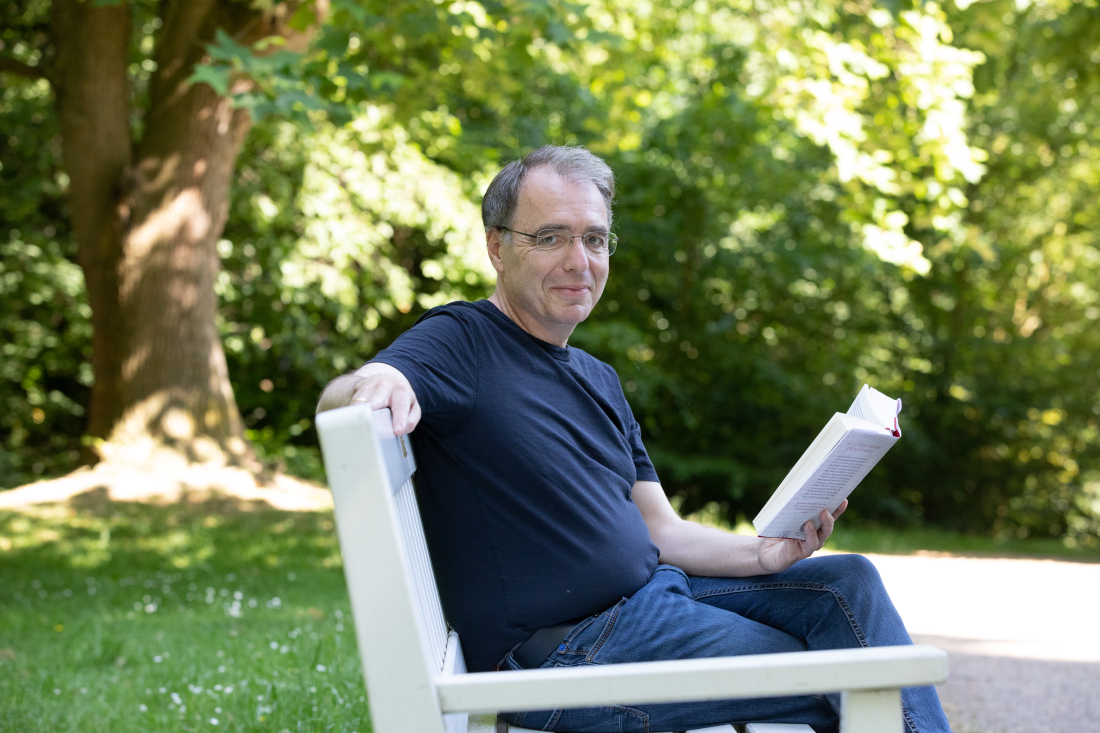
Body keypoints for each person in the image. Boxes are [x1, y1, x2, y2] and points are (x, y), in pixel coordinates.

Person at [316, 145, 951, 733]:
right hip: (569, 653)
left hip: (652, 601)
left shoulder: (598, 378)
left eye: (594, 238)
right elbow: (356, 390)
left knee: (850, 585)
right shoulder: (463, 342)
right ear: (497, 247)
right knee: (852, 671)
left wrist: (763, 556)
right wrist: (375, 383)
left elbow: (662, 532)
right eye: (550, 237)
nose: (579, 260)